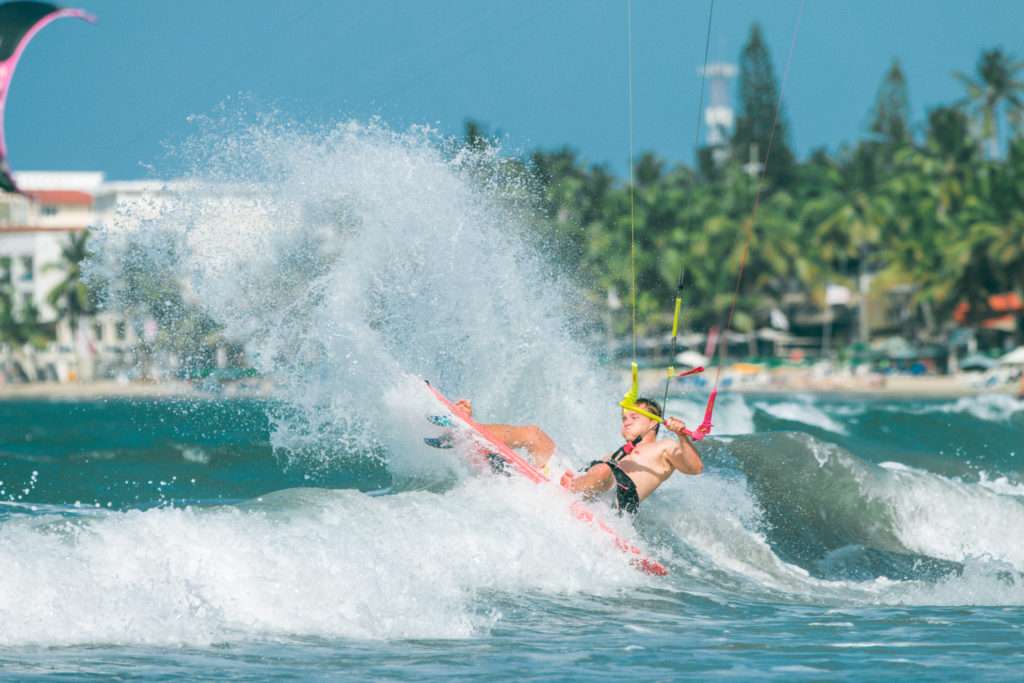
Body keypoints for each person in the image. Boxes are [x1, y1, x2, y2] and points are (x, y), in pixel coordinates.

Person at [451, 397, 703, 514]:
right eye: (624, 418)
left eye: (634, 418)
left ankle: (565, 488)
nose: (626, 422)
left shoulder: (665, 447)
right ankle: (470, 429)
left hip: (614, 504)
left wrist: (682, 436)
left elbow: (694, 468)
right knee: (534, 434)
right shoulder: (619, 452)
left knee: (605, 469)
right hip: (583, 486)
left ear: (652, 424)